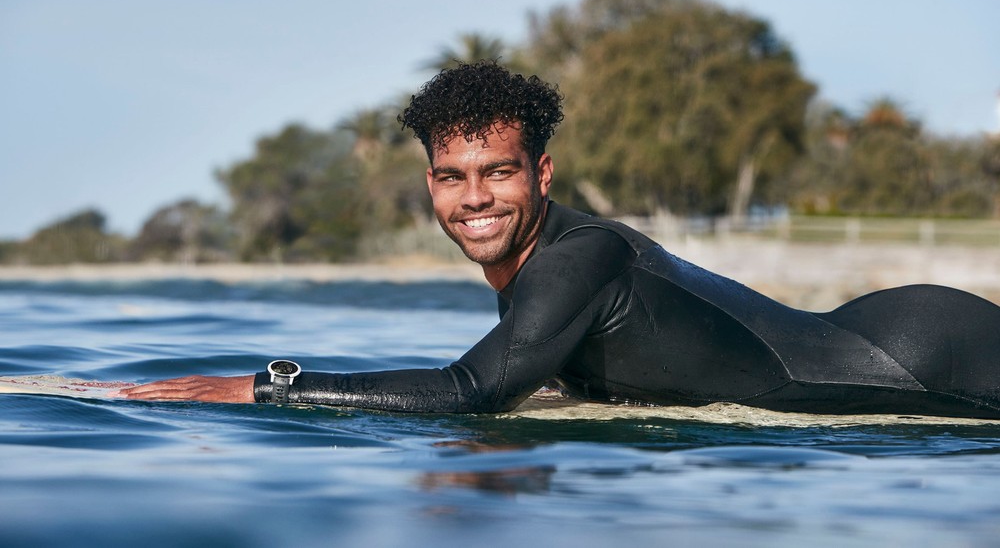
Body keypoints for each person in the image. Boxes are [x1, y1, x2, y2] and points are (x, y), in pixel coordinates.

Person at [120, 62, 1000, 418]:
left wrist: (270, 386)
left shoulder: (578, 259)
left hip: (920, 355)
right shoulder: (544, 269)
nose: (475, 198)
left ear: (542, 173)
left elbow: (471, 388)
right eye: (453, 176)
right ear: (430, 184)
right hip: (886, 335)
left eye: (498, 172)